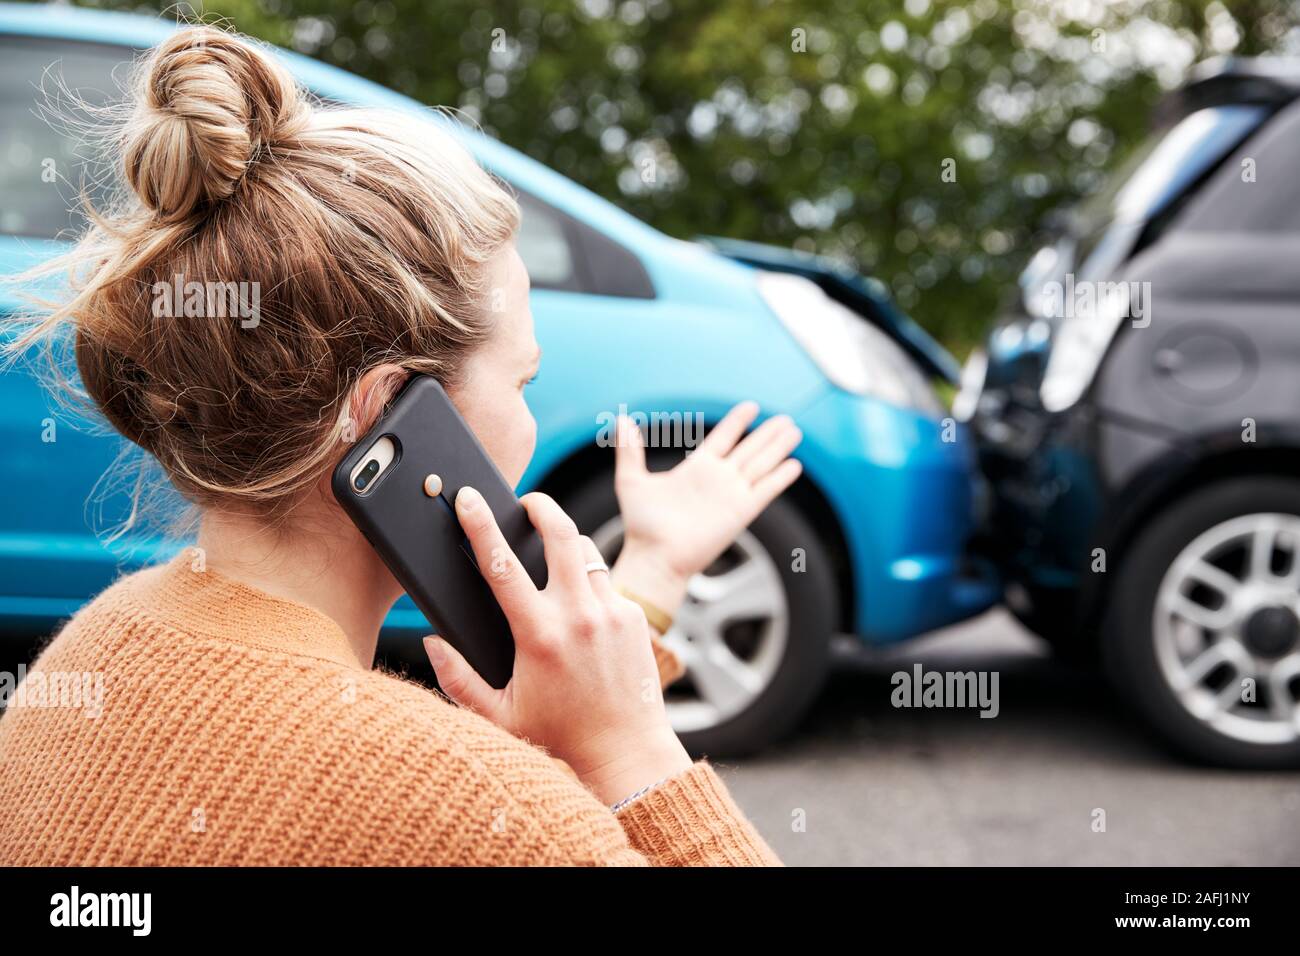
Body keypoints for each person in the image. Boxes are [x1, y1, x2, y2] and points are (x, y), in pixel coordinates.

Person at [0, 24, 804, 866]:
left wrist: (649, 580)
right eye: (521, 382)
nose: (526, 418)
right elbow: (445, 805)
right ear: (387, 411)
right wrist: (634, 755)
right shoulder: (495, 816)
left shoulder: (90, 653)